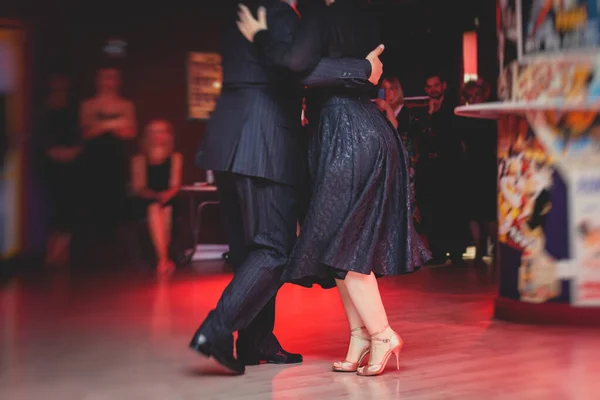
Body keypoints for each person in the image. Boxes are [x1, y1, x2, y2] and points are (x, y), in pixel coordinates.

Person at [189, 0, 384, 375]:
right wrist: (363, 68)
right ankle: (214, 331)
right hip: (262, 142)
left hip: (227, 140)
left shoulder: (240, 10)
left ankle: (255, 340)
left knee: (250, 251)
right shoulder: (275, 13)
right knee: (274, 250)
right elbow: (300, 67)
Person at [237, 0, 430, 377]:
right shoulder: (363, 15)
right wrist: (359, 70)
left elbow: (296, 66)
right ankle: (360, 336)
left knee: (343, 241)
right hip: (363, 128)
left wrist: (261, 37)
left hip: (345, 133)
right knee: (337, 240)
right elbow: (353, 72)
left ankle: (382, 333)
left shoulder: (321, 15)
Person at [79, 67, 136, 259]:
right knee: (93, 202)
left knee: (117, 203)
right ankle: (92, 254)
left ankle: (117, 254)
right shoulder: (88, 105)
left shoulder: (125, 104)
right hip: (94, 160)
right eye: (105, 78)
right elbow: (86, 134)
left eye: (113, 78)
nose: (109, 82)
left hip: (116, 160)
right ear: (98, 80)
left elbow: (130, 132)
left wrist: (102, 125)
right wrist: (112, 124)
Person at [130, 120, 182, 275]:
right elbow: (139, 188)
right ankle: (164, 259)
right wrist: (156, 196)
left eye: (162, 131)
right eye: (154, 132)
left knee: (165, 211)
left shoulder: (175, 157)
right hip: (146, 199)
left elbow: (175, 185)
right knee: (154, 209)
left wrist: (166, 196)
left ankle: (163, 260)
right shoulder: (139, 159)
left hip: (168, 198)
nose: (158, 135)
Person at [40, 73, 81, 267]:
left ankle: (60, 255)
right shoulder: (44, 111)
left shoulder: (73, 111)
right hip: (50, 167)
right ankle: (52, 254)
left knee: (68, 210)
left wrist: (72, 153)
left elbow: (79, 139)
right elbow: (42, 141)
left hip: (71, 168)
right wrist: (54, 152)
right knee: (52, 209)